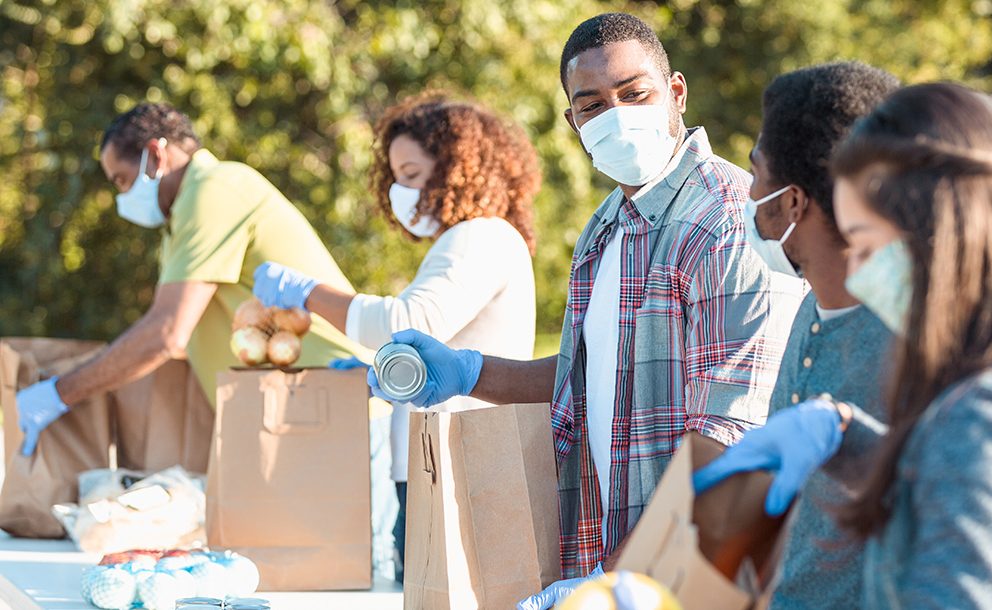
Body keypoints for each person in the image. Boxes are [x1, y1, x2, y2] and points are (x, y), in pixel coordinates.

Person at [696, 83, 992, 608]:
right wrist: (846, 437)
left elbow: (973, 465)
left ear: (936, 233)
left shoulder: (985, 417)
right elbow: (971, 489)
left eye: (866, 245)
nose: (856, 273)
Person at [369, 13, 795, 606]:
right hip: (615, 558)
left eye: (634, 94)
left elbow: (734, 434)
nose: (616, 115)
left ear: (675, 92)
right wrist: (469, 372)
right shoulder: (606, 228)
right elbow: (586, 378)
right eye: (593, 105)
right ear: (573, 121)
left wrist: (623, 575)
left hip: (698, 571)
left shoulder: (727, 223)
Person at [252, 93, 540, 583]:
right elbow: (435, 345)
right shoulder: (467, 240)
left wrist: (307, 293)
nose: (400, 192)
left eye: (410, 174)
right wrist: (380, 375)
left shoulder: (481, 236)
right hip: (439, 464)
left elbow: (411, 320)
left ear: (455, 166)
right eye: (396, 178)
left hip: (462, 467)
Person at [16, 102, 365, 454]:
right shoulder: (180, 217)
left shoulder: (213, 189)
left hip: (332, 403)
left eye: (122, 181)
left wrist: (59, 393)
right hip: (294, 412)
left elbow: (166, 333)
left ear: (155, 154)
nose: (123, 197)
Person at [739, 62, 899, 608]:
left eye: (756, 172)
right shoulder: (811, 308)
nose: (747, 191)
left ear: (792, 201)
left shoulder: (912, 346)